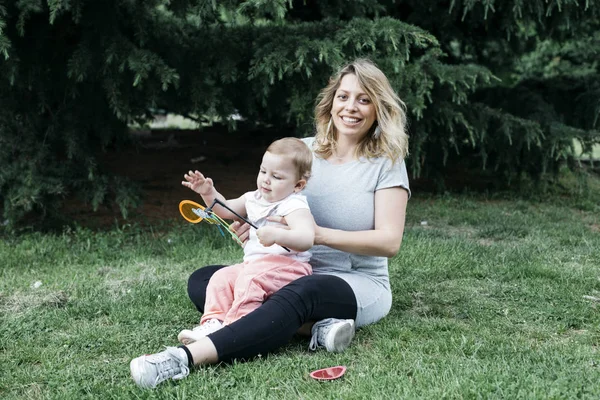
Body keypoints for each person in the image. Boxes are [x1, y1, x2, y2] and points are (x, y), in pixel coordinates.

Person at [130, 58, 410, 389]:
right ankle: (314, 329)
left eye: (364, 99)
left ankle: (183, 358)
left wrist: (314, 235)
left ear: (378, 108)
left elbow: (389, 242)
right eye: (343, 96)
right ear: (331, 101)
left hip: (353, 282)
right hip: (286, 269)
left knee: (301, 292)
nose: (351, 107)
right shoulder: (301, 151)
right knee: (206, 279)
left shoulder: (385, 163)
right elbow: (267, 203)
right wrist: (256, 225)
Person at [177, 137, 315, 344]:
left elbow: (306, 238)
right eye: (263, 171)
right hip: (256, 266)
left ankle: (236, 329)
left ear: (298, 185)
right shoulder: (253, 198)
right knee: (221, 277)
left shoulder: (293, 205)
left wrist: (277, 235)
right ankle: (213, 323)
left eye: (276, 176)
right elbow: (224, 210)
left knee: (249, 280)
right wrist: (208, 193)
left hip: (289, 268)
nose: (266, 180)